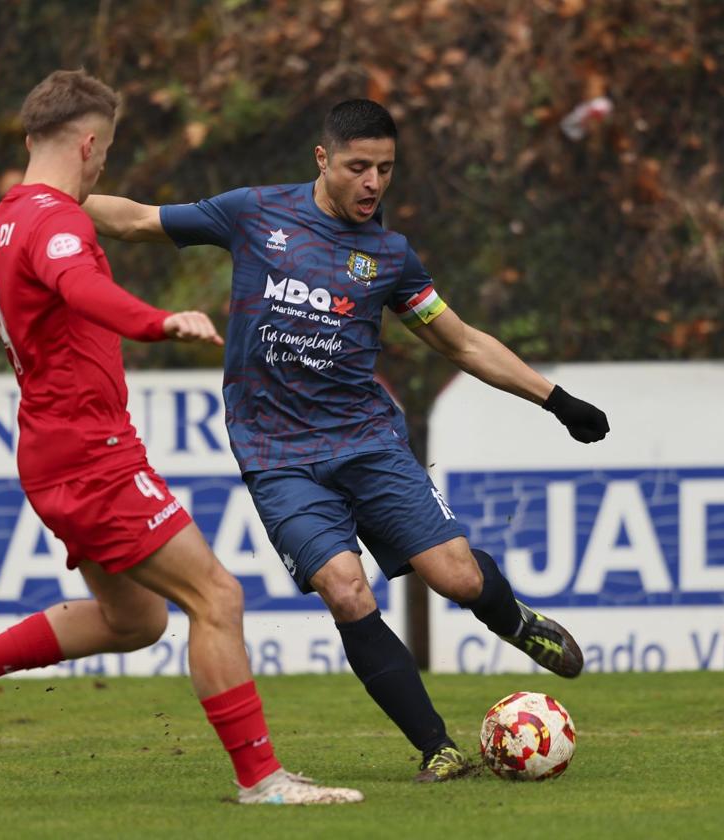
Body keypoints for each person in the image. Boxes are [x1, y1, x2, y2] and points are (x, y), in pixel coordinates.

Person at [83, 98, 610, 782]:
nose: (372, 184)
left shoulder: (389, 256)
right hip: (276, 456)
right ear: (322, 159)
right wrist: (46, 201)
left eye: (385, 170)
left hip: (366, 440)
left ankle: (512, 620)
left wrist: (555, 399)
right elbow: (135, 221)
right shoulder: (254, 213)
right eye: (358, 167)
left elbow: (461, 341)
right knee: (346, 591)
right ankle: (436, 748)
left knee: (456, 578)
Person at [0, 69, 362, 806]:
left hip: (48, 456)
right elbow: (82, 290)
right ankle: (263, 781)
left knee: (136, 619)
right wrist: (159, 322)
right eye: (107, 150)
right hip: (92, 455)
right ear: (88, 144)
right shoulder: (58, 222)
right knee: (216, 597)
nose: (104, 164)